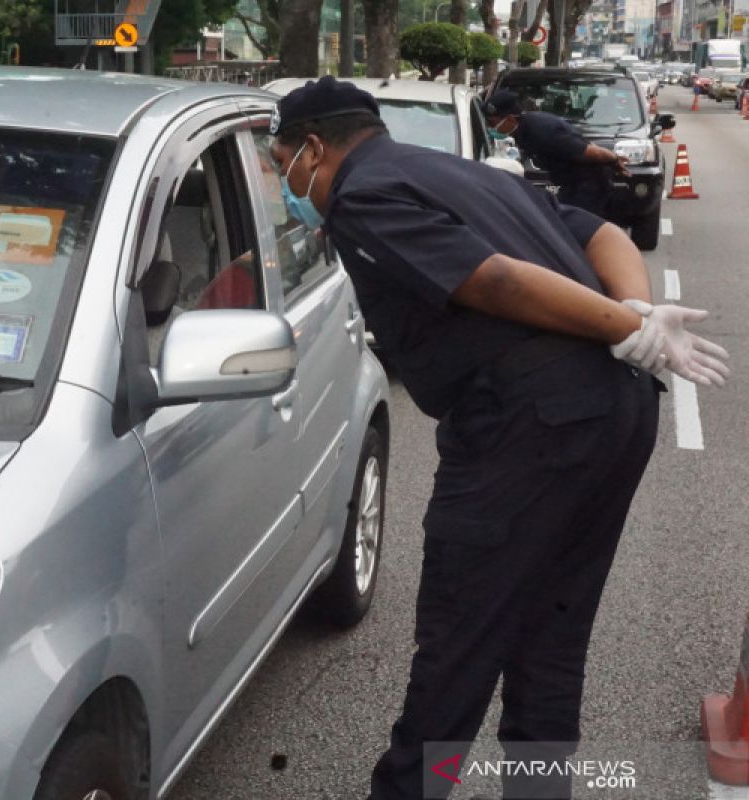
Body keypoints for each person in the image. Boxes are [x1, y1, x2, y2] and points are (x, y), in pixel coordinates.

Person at [268, 75, 729, 799]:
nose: (283, 184)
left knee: (459, 641)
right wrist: (633, 306)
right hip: (614, 410)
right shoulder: (462, 171)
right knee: (551, 630)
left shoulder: (360, 198)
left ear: (314, 149)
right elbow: (601, 233)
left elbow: (497, 284)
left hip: (529, 423)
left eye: (279, 163)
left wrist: (634, 325)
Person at [483, 89, 628, 218]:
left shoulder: (540, 131)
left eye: (492, 122)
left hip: (588, 185)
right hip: (570, 184)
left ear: (510, 119)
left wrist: (614, 161)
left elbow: (591, 151)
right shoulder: (523, 129)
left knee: (576, 230)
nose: (490, 127)